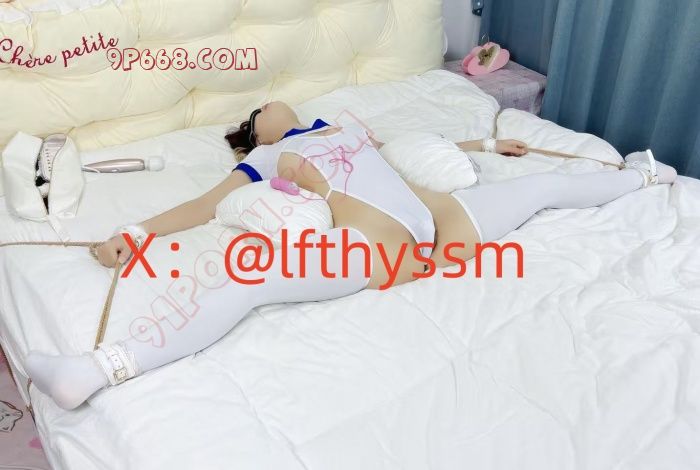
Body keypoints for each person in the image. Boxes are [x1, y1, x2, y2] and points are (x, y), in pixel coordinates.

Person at [26, 101, 677, 410]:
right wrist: (135, 232)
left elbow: (406, 152)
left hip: (443, 222)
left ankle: (645, 176)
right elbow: (202, 206)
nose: (275, 105)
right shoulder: (264, 157)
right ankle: (99, 368)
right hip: (378, 246)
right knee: (250, 283)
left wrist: (483, 144)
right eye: (261, 110)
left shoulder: (340, 127)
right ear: (253, 131)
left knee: (541, 190)